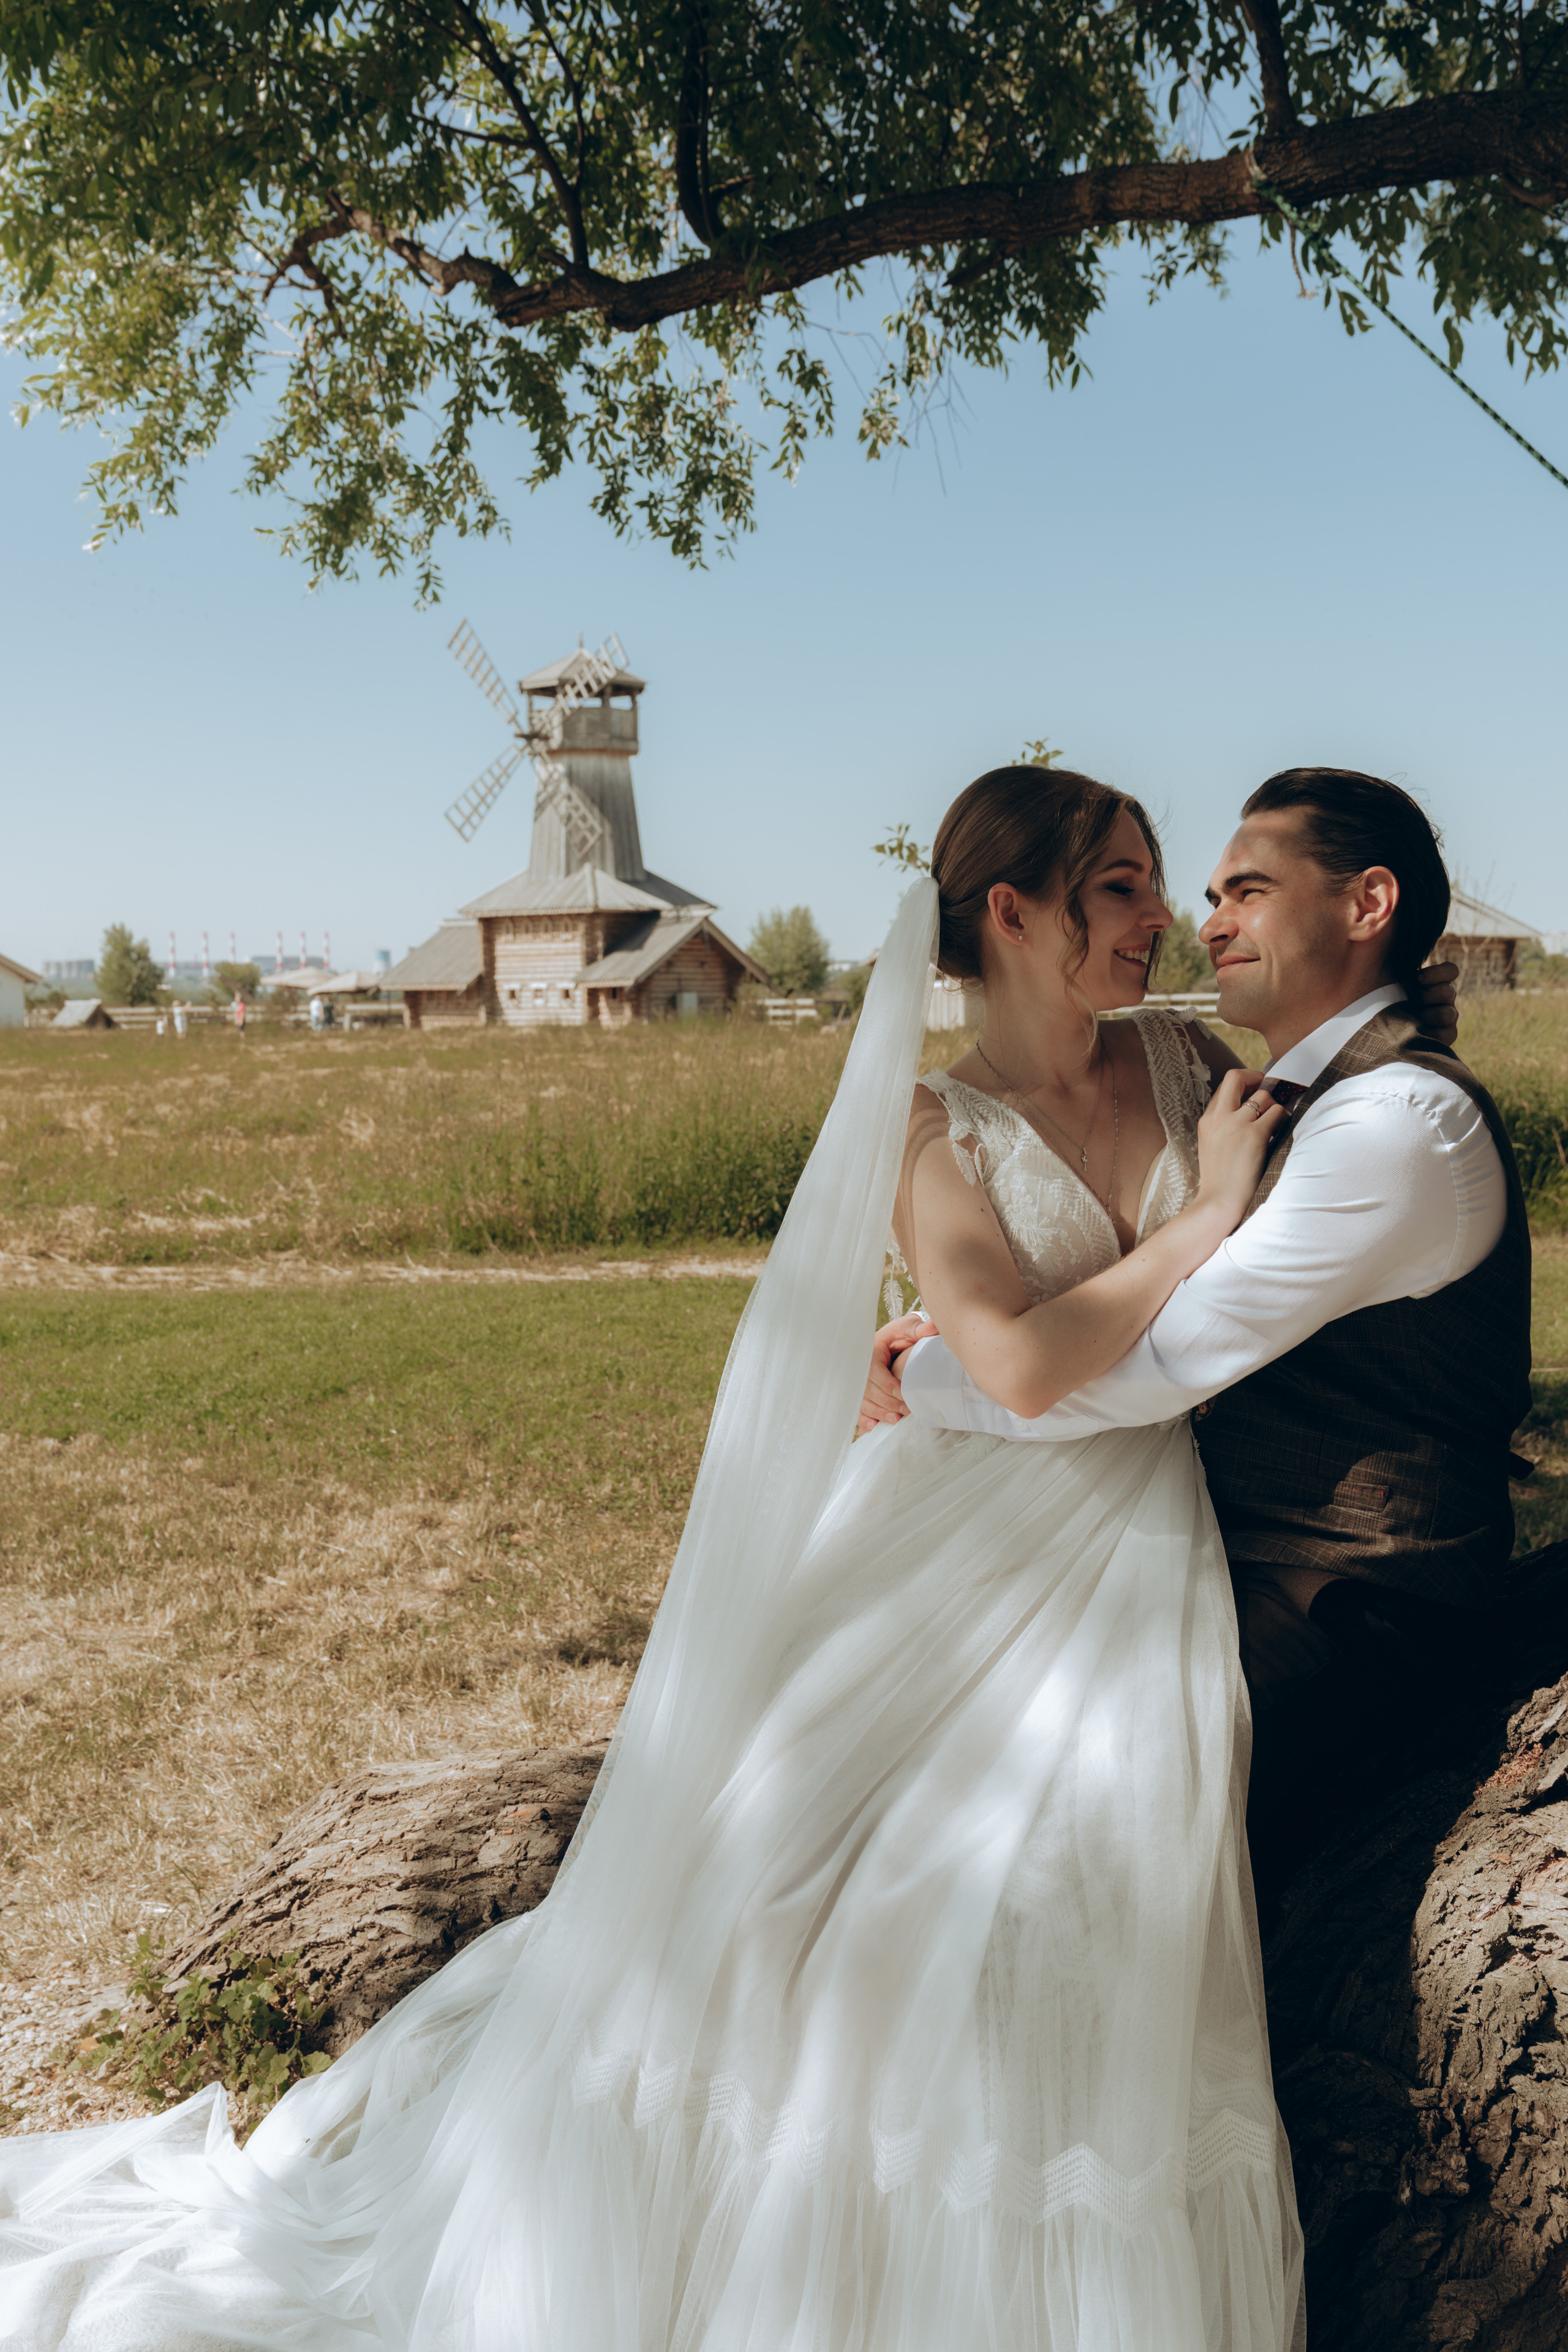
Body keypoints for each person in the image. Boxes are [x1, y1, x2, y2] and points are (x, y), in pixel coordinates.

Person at [2, 769, 1306, 2350]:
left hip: (1131, 1550)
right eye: (1117, 885)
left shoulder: (1192, 1064)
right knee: (776, 1903)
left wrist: (1137, 1255)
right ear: (1011, 913)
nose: (1157, 916)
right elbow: (1022, 1369)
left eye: (1156, 882)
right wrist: (1198, 1224)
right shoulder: (922, 1122)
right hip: (939, 1543)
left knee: (1083, 1903)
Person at [863, 768, 1525, 1921]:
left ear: (1367, 907)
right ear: (1011, 914)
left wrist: (922, 1373)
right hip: (1195, 1550)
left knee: (1064, 1834)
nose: (1195, 920)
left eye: (1245, 893)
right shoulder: (1290, 1092)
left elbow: (1149, 1362)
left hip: (1354, 1592)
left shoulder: (1387, 1122)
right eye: (1154, 889)